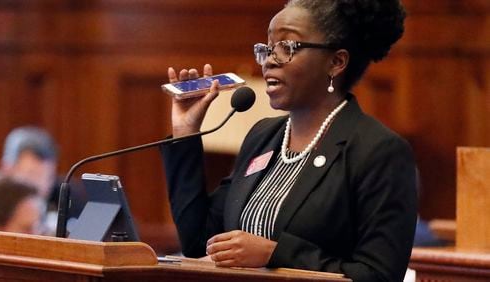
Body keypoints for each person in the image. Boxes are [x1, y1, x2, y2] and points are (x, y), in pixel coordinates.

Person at [160, 1, 417, 281]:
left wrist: (276, 253)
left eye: (287, 47)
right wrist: (185, 130)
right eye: (267, 48)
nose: (270, 60)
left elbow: (379, 274)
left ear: (336, 62)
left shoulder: (378, 151)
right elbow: (200, 242)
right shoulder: (263, 137)